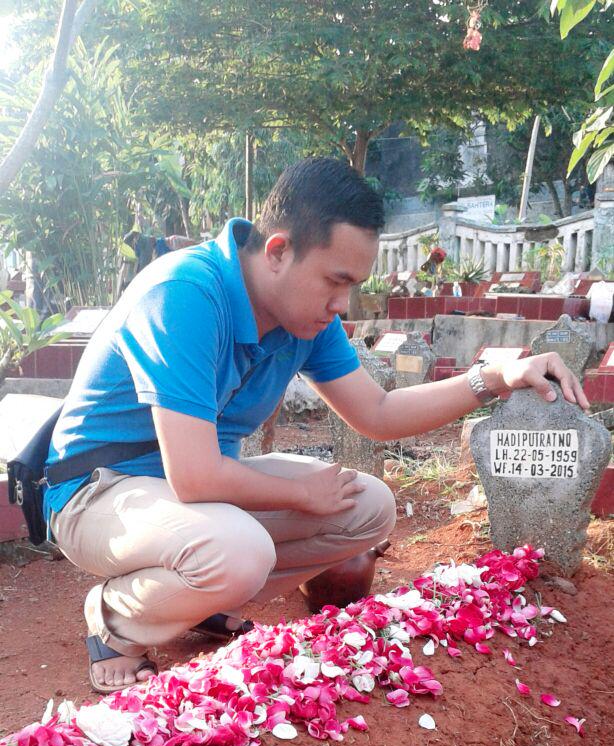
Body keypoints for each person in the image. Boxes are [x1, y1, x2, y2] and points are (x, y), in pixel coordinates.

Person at [45, 157, 588, 694]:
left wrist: (495, 377)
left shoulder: (303, 317)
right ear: (279, 251)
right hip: (98, 494)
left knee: (369, 506)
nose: (343, 304)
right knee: (238, 552)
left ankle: (200, 601)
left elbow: (377, 413)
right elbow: (194, 476)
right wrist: (298, 494)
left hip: (193, 501)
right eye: (336, 281)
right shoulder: (184, 294)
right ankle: (116, 619)